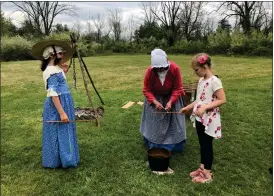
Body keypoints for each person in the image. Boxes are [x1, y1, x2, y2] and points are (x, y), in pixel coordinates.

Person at [32, 40, 80, 168]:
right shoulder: (51, 71)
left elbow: (59, 83)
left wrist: (63, 71)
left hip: (64, 101)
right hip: (58, 104)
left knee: (63, 130)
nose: (63, 55)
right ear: (52, 55)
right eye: (60, 53)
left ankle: (62, 158)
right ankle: (63, 159)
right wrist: (62, 112)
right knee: (60, 130)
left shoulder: (55, 68)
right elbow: (53, 93)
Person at [179, 53, 226, 183]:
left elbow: (222, 99)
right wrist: (188, 107)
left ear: (205, 66)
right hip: (200, 118)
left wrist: (205, 107)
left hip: (209, 119)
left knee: (207, 145)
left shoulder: (215, 81)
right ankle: (202, 168)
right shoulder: (201, 80)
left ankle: (207, 174)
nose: (195, 73)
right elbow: (199, 100)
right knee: (202, 144)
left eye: (196, 70)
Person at [140, 48, 187, 153]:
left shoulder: (175, 68)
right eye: (157, 69)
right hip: (155, 98)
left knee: (174, 124)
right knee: (155, 123)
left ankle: (173, 143)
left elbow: (177, 88)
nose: (160, 70)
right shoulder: (150, 71)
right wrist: (155, 102)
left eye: (162, 68)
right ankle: (154, 141)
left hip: (172, 97)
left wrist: (171, 102)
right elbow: (146, 90)